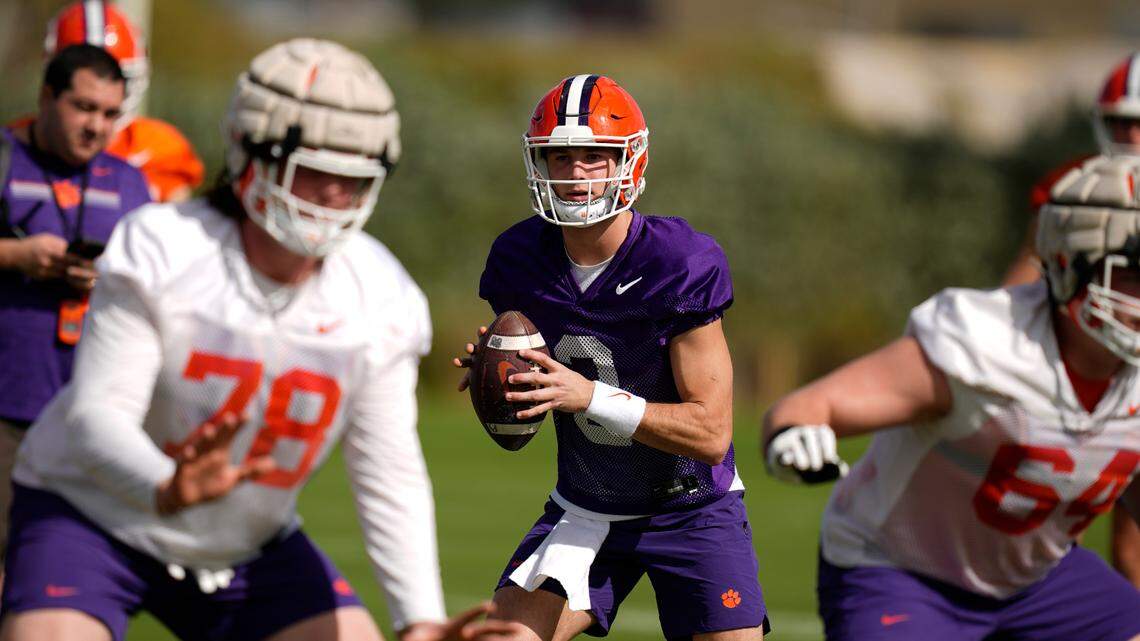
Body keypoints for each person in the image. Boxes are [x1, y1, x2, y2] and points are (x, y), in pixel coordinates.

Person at [0, 38, 525, 641]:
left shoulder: (379, 294)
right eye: (316, 172)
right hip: (92, 514)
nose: (334, 195)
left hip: (244, 541)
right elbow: (96, 416)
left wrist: (421, 622)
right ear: (252, 156)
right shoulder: (165, 247)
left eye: (353, 178)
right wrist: (165, 485)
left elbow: (388, 470)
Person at [762, 155, 1140, 640]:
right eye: (1131, 274)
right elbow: (808, 407)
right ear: (1071, 268)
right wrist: (793, 437)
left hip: (1036, 582)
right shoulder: (987, 344)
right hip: (900, 569)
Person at [456, 75, 768, 641]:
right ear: (538, 164)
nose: (576, 174)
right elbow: (539, 355)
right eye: (561, 157)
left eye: (594, 157)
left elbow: (712, 431)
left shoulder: (679, 261)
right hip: (586, 508)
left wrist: (588, 396)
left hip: (693, 506)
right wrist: (501, 371)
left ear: (631, 160)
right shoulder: (518, 259)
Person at [0, 43, 151, 575]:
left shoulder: (130, 182)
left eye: (110, 113)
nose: (97, 126)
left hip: (92, 414)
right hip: (8, 409)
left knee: (75, 573)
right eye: (83, 108)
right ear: (46, 97)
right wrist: (16, 255)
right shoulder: (4, 160)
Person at [1001, 52, 1140, 588]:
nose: (1129, 133)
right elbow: (1030, 268)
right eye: (1120, 120)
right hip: (1093, 377)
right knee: (1054, 536)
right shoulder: (1074, 186)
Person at [42, 0, 205, 202]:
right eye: (84, 104)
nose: (103, 92)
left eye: (117, 79)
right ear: (49, 93)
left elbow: (177, 226)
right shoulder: (14, 150)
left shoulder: (157, 147)